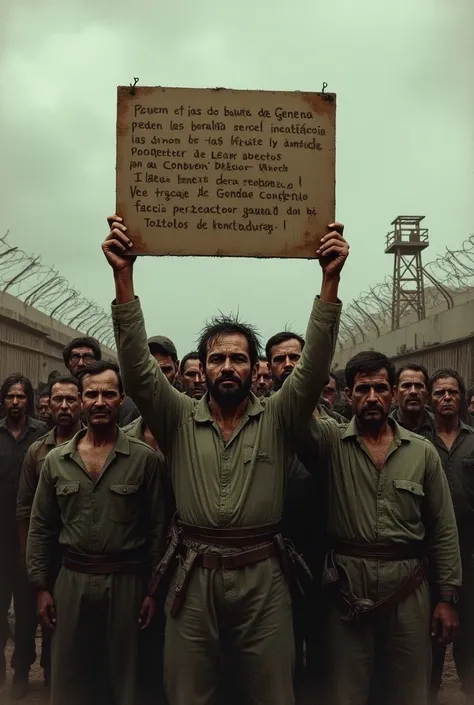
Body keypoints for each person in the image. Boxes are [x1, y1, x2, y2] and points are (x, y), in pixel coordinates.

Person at [102, 214, 347, 705]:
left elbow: (314, 364)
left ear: (255, 368)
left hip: (265, 580)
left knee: (273, 691)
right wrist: (124, 277)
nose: (228, 367)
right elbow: (136, 368)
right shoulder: (175, 418)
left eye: (238, 358)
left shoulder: (280, 418)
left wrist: (329, 281)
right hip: (193, 577)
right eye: (217, 359)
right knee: (187, 689)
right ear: (204, 367)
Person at [297, 351, 461, 705]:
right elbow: (295, 413)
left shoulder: (422, 453)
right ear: (347, 396)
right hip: (348, 589)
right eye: (362, 389)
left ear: (393, 395)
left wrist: (447, 598)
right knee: (347, 690)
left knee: (409, 690)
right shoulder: (329, 443)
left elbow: (443, 528)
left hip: (409, 587)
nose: (372, 397)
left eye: (380, 388)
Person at [26, 361, 167, 705]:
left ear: (121, 399)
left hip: (127, 583)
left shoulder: (145, 460)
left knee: (125, 679)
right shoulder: (57, 461)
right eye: (91, 394)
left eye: (108, 393)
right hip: (71, 581)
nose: (99, 401)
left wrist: (153, 591)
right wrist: (42, 587)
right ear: (81, 401)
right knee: (70, 676)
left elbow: (159, 530)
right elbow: (41, 526)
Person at [16, 375, 83, 689]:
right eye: (59, 400)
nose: (65, 406)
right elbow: (25, 511)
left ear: (81, 403)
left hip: (81, 554)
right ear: (49, 406)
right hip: (47, 550)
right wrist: (32, 563)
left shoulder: (95, 444)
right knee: (43, 615)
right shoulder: (37, 451)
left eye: (71, 400)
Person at [425, 369, 474, 702]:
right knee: (428, 646)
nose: (446, 398)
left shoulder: (473, 440)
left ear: (462, 398)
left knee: (470, 641)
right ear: (431, 398)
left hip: (470, 557)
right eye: (440, 392)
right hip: (427, 561)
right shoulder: (417, 441)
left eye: (452, 392)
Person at [0, 374, 47, 699]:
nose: (15, 401)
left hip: (30, 536)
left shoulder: (41, 435)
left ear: (28, 399)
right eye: (9, 397)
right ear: (3, 401)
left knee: (28, 611)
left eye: (20, 396)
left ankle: (21, 670)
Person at [391, 364, 435, 435]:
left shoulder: (440, 427)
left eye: (419, 386)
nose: (413, 391)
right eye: (407, 386)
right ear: (395, 392)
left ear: (426, 393)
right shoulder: (384, 426)